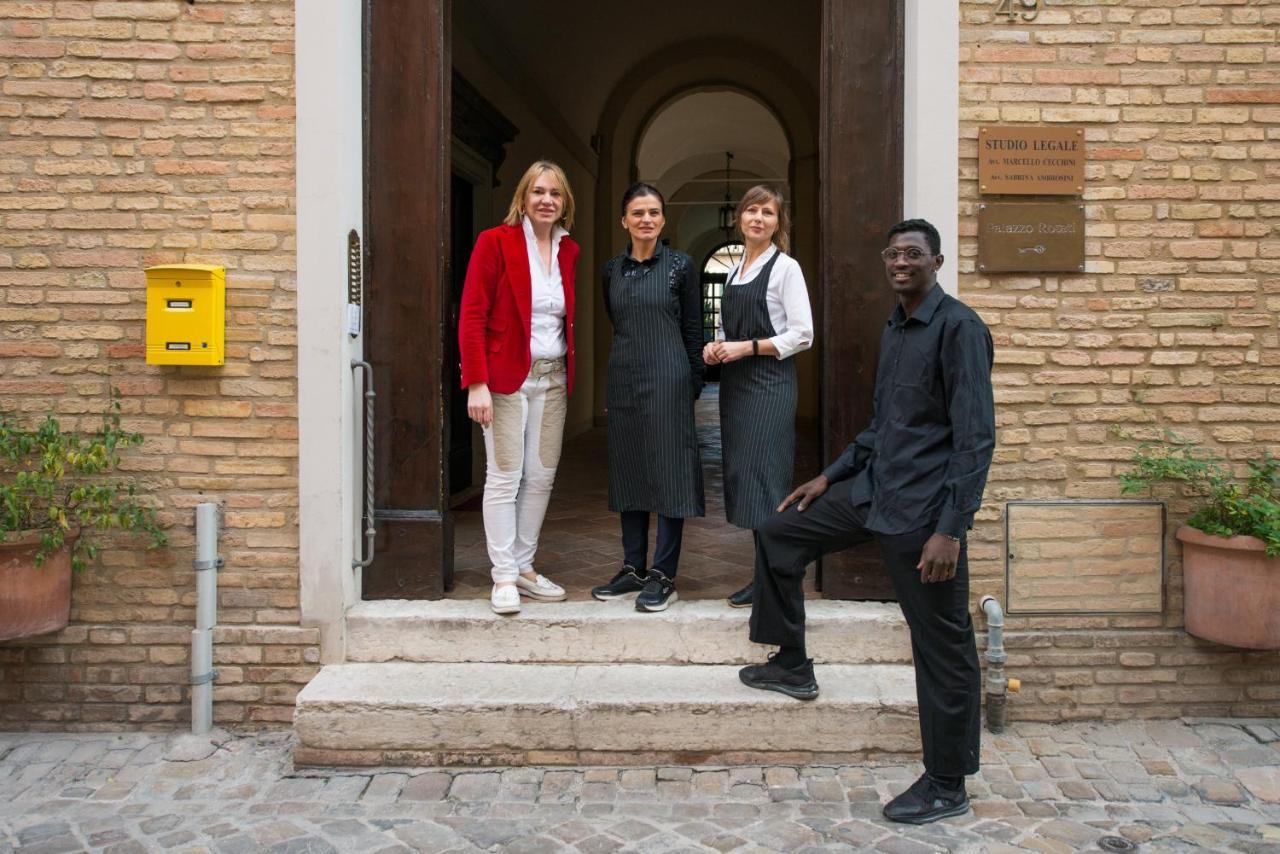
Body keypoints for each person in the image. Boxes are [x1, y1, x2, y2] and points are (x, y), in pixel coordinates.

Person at [738, 218, 995, 825]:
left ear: (936, 261)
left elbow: (976, 440)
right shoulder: (897, 328)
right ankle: (792, 663)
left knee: (943, 646)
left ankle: (946, 782)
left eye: (913, 254)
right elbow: (884, 426)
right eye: (893, 253)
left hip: (923, 515)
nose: (901, 262)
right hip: (875, 490)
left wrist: (950, 529)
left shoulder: (960, 329)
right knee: (779, 532)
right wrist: (831, 475)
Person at [458, 160, 579, 615]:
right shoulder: (496, 242)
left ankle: (525, 568)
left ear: (565, 203)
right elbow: (472, 314)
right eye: (538, 192)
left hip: (553, 378)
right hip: (506, 378)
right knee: (505, 476)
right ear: (523, 199)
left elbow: (562, 318)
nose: (547, 200)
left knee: (542, 476)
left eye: (556, 193)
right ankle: (504, 575)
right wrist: (477, 383)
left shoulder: (570, 250)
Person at [590, 183, 705, 612]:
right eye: (638, 212)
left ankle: (663, 574)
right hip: (624, 379)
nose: (646, 219)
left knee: (669, 473)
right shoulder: (611, 271)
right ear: (624, 220)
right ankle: (633, 567)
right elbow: (616, 321)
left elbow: (694, 330)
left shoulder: (681, 266)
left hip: (670, 379)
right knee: (630, 470)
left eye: (654, 212)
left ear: (662, 219)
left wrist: (691, 382)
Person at [702, 185, 813, 609]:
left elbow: (803, 334)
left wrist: (746, 347)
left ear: (777, 223)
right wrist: (717, 345)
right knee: (746, 478)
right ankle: (767, 574)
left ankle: (777, 578)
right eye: (752, 210)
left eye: (768, 212)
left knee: (767, 480)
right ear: (740, 218)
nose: (758, 219)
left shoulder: (786, 269)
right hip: (736, 387)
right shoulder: (733, 271)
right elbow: (728, 330)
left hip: (769, 386)